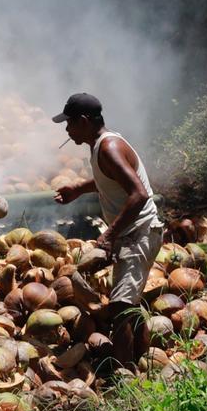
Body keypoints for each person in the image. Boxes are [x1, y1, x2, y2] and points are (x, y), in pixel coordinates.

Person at [52, 92, 164, 364]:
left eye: (69, 123)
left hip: (139, 234)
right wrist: (79, 189)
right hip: (135, 233)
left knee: (120, 308)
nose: (67, 129)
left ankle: (125, 381)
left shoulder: (109, 147)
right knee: (129, 304)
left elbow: (139, 194)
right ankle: (142, 363)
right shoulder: (100, 146)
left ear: (83, 121)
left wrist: (108, 234)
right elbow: (109, 178)